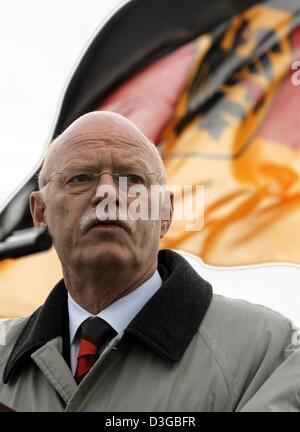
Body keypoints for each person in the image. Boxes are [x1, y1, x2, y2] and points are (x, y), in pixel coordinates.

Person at [0, 111, 296, 412]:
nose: (107, 193)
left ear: (165, 213)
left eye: (133, 180)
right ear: (40, 213)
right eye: (80, 178)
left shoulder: (267, 353)